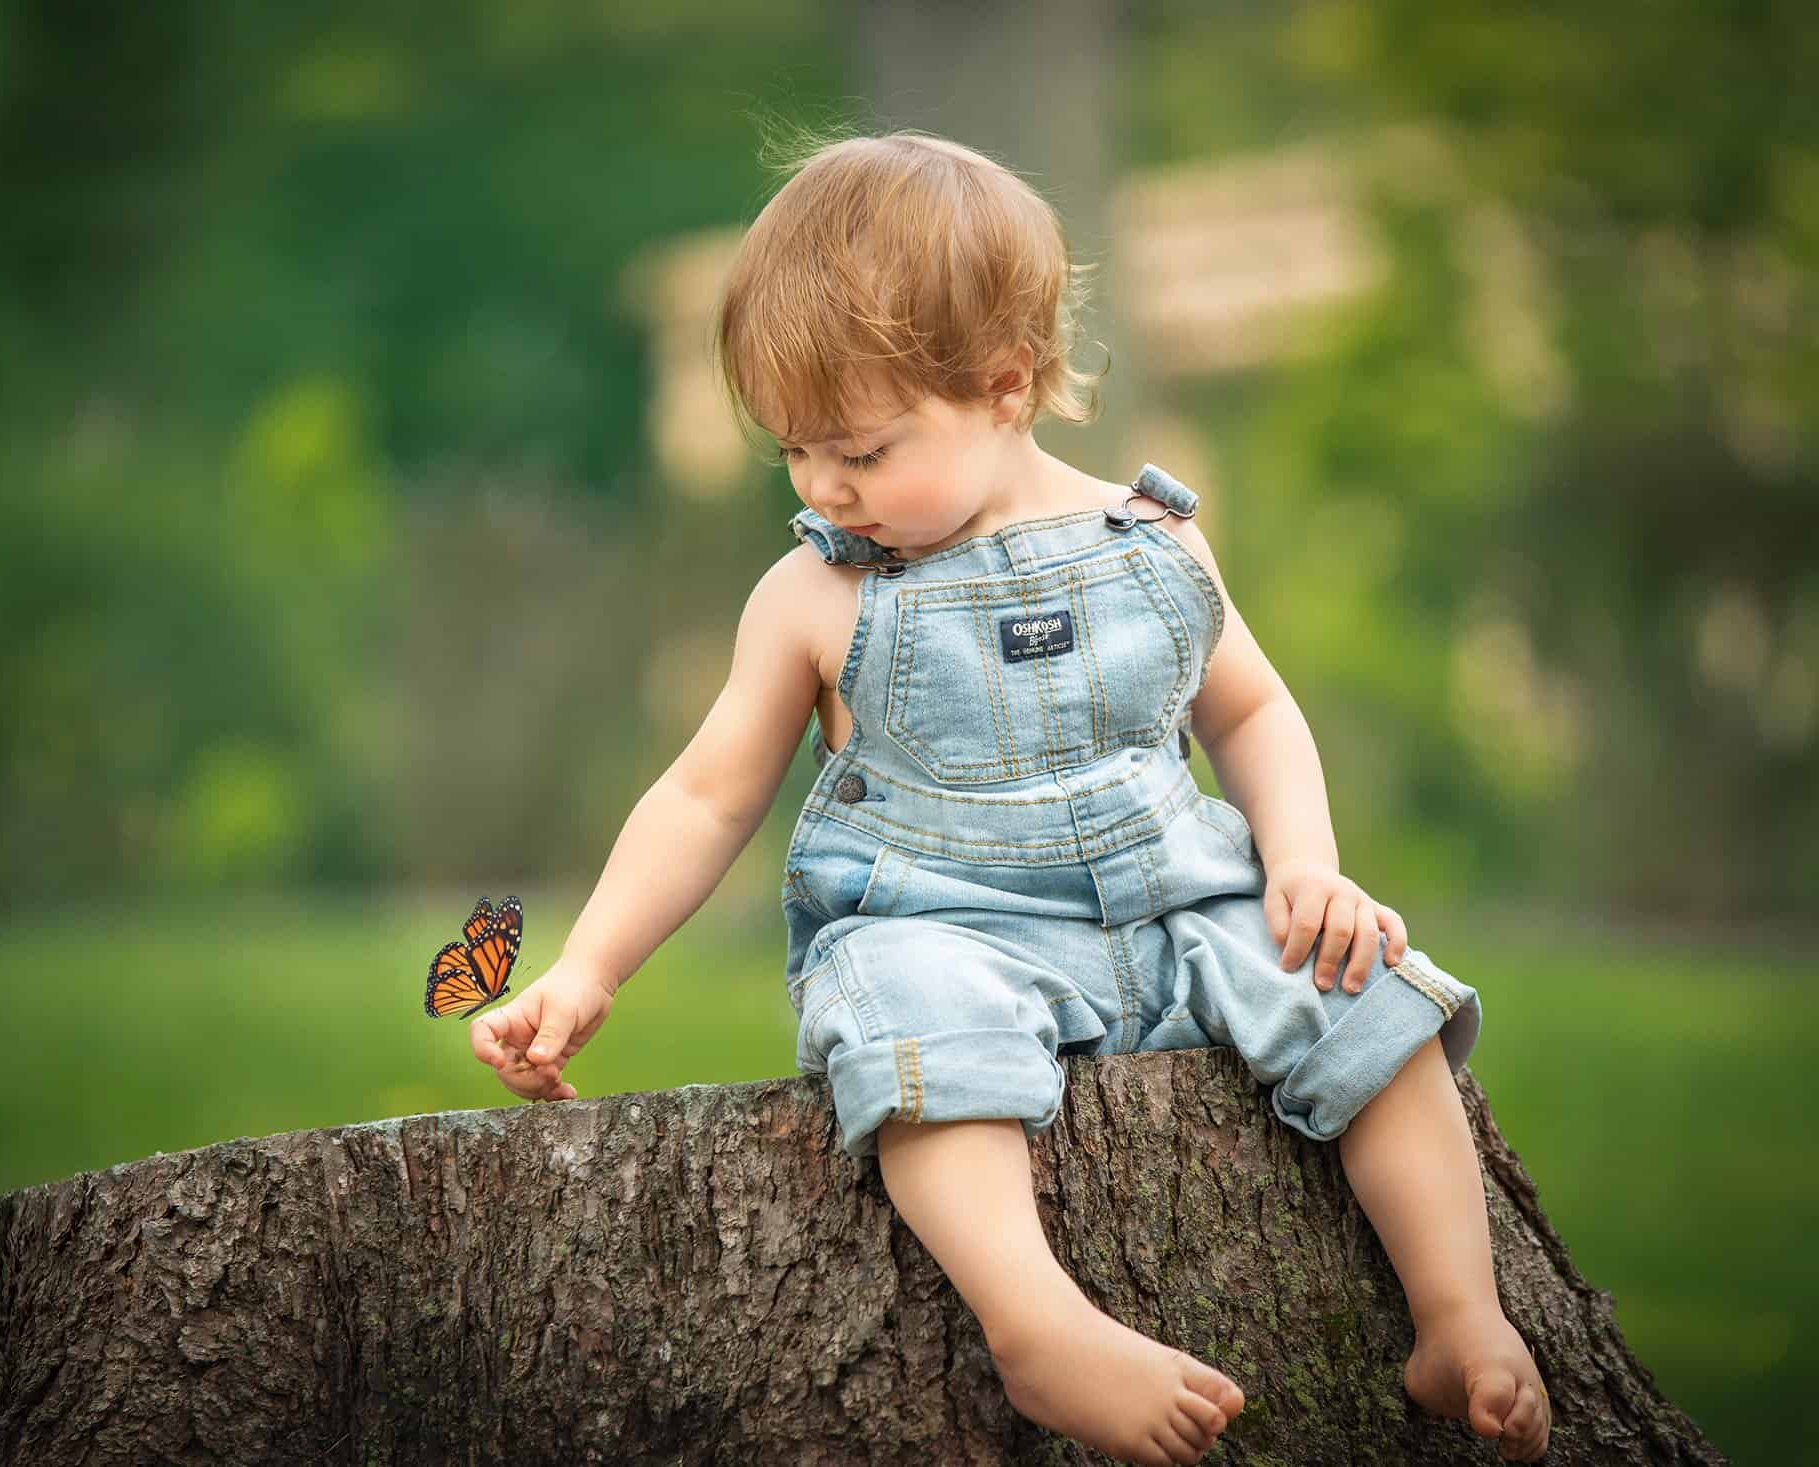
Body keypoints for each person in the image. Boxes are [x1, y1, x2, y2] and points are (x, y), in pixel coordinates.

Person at [469, 129, 1550, 1466]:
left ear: (1005, 384)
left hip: (1183, 908)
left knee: (1370, 1001)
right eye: (794, 450)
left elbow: (1252, 710)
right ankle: (1038, 1326)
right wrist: (587, 968)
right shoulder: (816, 595)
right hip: (950, 928)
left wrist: (1305, 865)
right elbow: (703, 797)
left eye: (862, 449)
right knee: (921, 1048)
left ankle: (1460, 1317)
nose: (823, 486)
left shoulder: (1155, 541)